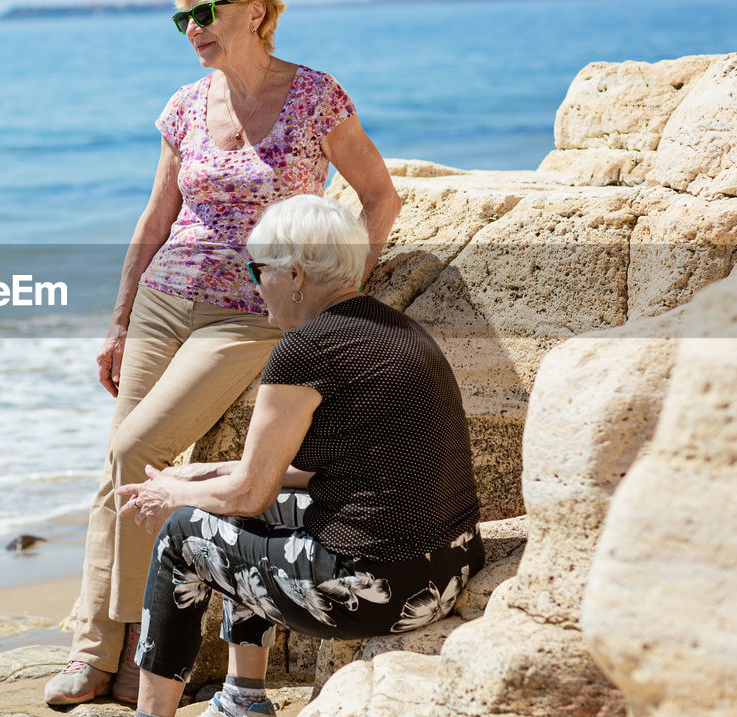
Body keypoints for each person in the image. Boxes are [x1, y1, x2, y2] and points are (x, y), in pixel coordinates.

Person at [44, 0, 401, 706]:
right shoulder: (184, 104)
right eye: (183, 18)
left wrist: (336, 293)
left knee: (137, 447)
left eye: (203, 14)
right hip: (164, 296)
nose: (191, 30)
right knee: (117, 466)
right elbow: (156, 216)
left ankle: (147, 653)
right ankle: (92, 650)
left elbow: (378, 196)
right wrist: (117, 320)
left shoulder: (313, 96)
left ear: (257, 13)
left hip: (249, 311)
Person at [115, 194, 484, 717]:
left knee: (182, 535)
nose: (253, 282)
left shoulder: (306, 349)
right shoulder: (391, 327)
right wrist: (210, 472)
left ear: (294, 275)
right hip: (449, 566)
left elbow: (249, 493)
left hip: (375, 587)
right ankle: (243, 699)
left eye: (256, 269)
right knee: (241, 513)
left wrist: (172, 492)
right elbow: (312, 468)